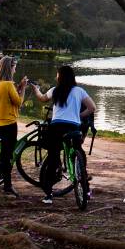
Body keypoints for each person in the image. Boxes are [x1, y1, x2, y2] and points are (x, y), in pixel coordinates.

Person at [31, 65, 96, 205]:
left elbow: (42, 98)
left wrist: (36, 89)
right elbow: (92, 108)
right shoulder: (79, 91)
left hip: (56, 128)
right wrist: (78, 116)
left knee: (53, 158)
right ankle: (86, 190)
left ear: (59, 77)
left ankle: (48, 195)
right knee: (78, 152)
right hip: (73, 127)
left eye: (57, 74)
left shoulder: (55, 90)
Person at [0, 56, 28, 197]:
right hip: (8, 124)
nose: (15, 69)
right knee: (7, 156)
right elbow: (18, 102)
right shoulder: (7, 84)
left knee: (3, 153)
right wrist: (22, 88)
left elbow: (5, 99)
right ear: (9, 68)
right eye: (14, 66)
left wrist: (17, 87)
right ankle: (7, 186)